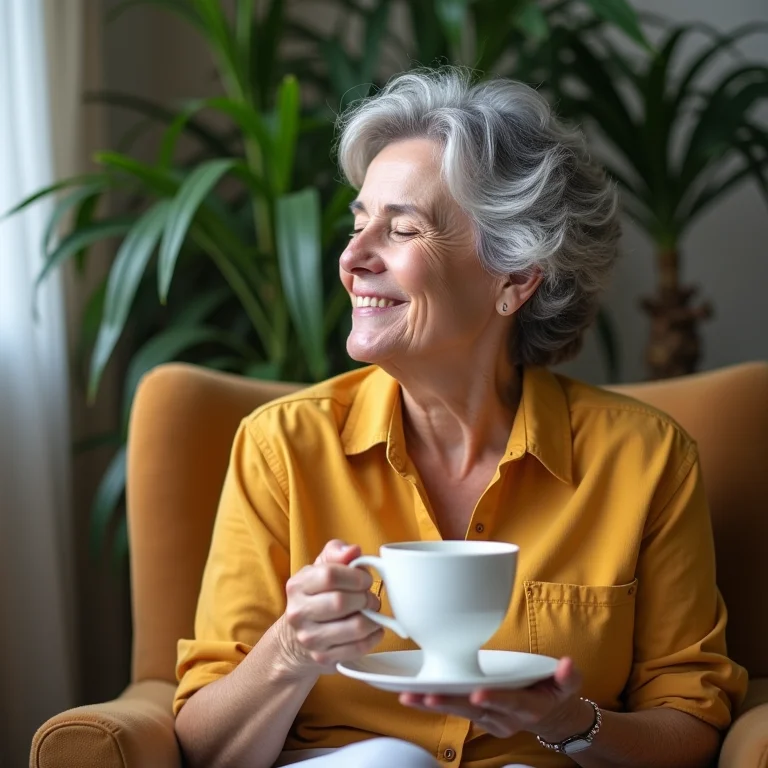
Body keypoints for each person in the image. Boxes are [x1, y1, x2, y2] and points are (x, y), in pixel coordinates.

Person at [173, 68, 747, 768]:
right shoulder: (282, 447)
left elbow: (691, 729)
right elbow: (204, 750)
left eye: (401, 227)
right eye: (359, 224)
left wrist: (569, 722)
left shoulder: (645, 458)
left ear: (515, 278)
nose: (352, 259)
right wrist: (290, 651)